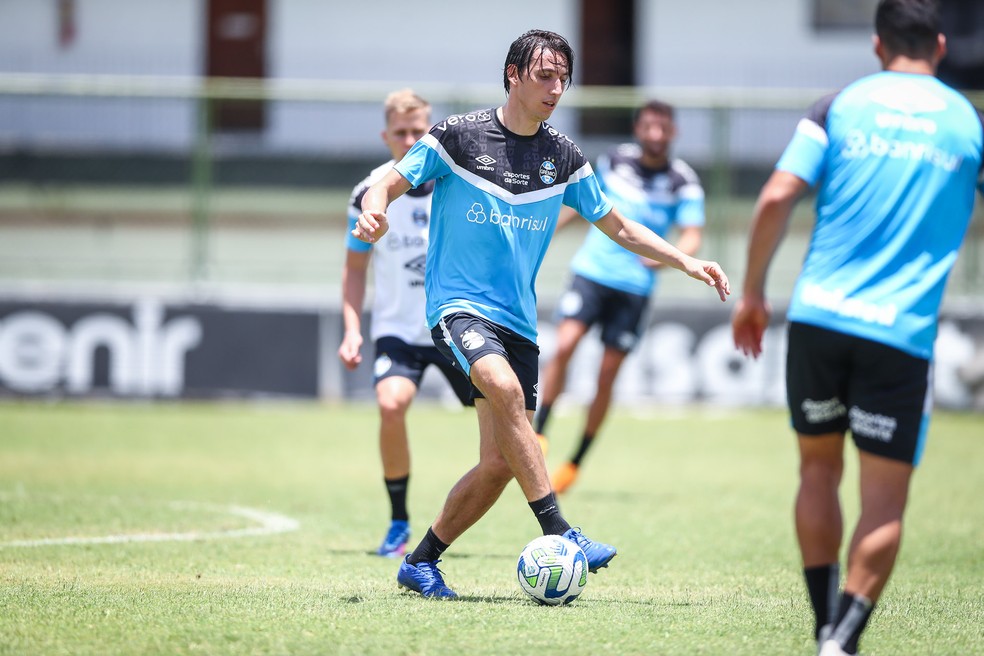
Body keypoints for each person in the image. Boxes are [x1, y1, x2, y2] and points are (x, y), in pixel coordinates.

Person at [354, 29, 730, 599]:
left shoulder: (564, 156)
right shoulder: (458, 136)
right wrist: (374, 211)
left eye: (563, 79)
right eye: (545, 76)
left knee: (500, 464)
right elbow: (386, 182)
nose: (556, 88)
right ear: (513, 75)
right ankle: (560, 529)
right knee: (504, 390)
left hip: (519, 321)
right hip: (457, 306)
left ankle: (421, 560)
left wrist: (686, 260)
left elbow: (619, 225)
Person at [731, 1, 984, 653]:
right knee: (884, 500)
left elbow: (776, 195)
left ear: (877, 46)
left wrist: (752, 292)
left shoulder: (837, 107)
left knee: (817, 472)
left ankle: (823, 624)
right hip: (899, 334)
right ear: (941, 45)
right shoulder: (968, 122)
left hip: (818, 318)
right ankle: (841, 641)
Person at [533, 100, 706, 494]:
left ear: (673, 133)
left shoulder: (683, 180)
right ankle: (540, 432)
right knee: (565, 345)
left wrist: (668, 259)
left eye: (663, 128)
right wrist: (546, 230)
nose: (656, 134)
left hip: (635, 288)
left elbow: (692, 234)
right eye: (649, 126)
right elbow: (585, 203)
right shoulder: (614, 161)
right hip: (592, 273)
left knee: (607, 374)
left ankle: (575, 462)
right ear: (638, 129)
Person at [338, 89, 475, 559]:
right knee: (390, 403)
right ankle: (399, 523)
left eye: (419, 131)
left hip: (457, 327)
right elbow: (354, 269)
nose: (411, 139)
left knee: (509, 423)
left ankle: (548, 522)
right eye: (401, 132)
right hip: (399, 332)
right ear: (386, 136)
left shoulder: (460, 182)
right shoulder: (369, 193)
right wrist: (352, 329)